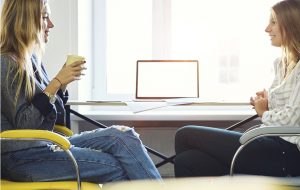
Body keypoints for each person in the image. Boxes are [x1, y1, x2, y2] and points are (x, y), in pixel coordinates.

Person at [0, 0, 161, 183]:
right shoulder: (6, 63)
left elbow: (55, 119)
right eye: (45, 17)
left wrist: (61, 86)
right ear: (25, 21)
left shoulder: (32, 59)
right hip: (20, 157)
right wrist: (56, 82)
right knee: (119, 167)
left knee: (123, 136)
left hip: (46, 144)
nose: (51, 24)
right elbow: (25, 126)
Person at [174, 0, 300, 177]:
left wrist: (263, 112)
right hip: (268, 141)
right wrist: (269, 100)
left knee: (185, 135)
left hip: (286, 153)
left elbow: (293, 119)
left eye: (273, 22)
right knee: (186, 161)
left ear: (291, 25)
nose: (267, 29)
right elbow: (286, 108)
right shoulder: (281, 64)